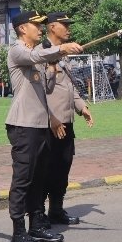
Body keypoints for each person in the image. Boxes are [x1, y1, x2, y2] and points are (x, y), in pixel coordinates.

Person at [6, 10, 83, 242]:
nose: (40, 28)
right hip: (23, 125)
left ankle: (36, 224)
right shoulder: (18, 50)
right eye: (36, 25)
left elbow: (47, 86)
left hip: (39, 125)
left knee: (39, 179)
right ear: (22, 29)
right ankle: (18, 232)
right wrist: (61, 49)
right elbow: (36, 55)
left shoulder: (38, 58)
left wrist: (54, 62)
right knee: (23, 181)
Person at [42, 12, 94, 227]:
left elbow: (69, 87)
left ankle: (56, 210)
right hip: (47, 123)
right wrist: (51, 118)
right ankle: (37, 215)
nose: (68, 28)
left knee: (63, 168)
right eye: (64, 24)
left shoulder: (62, 56)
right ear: (52, 27)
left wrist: (82, 108)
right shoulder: (41, 53)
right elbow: (38, 92)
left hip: (66, 122)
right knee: (45, 170)